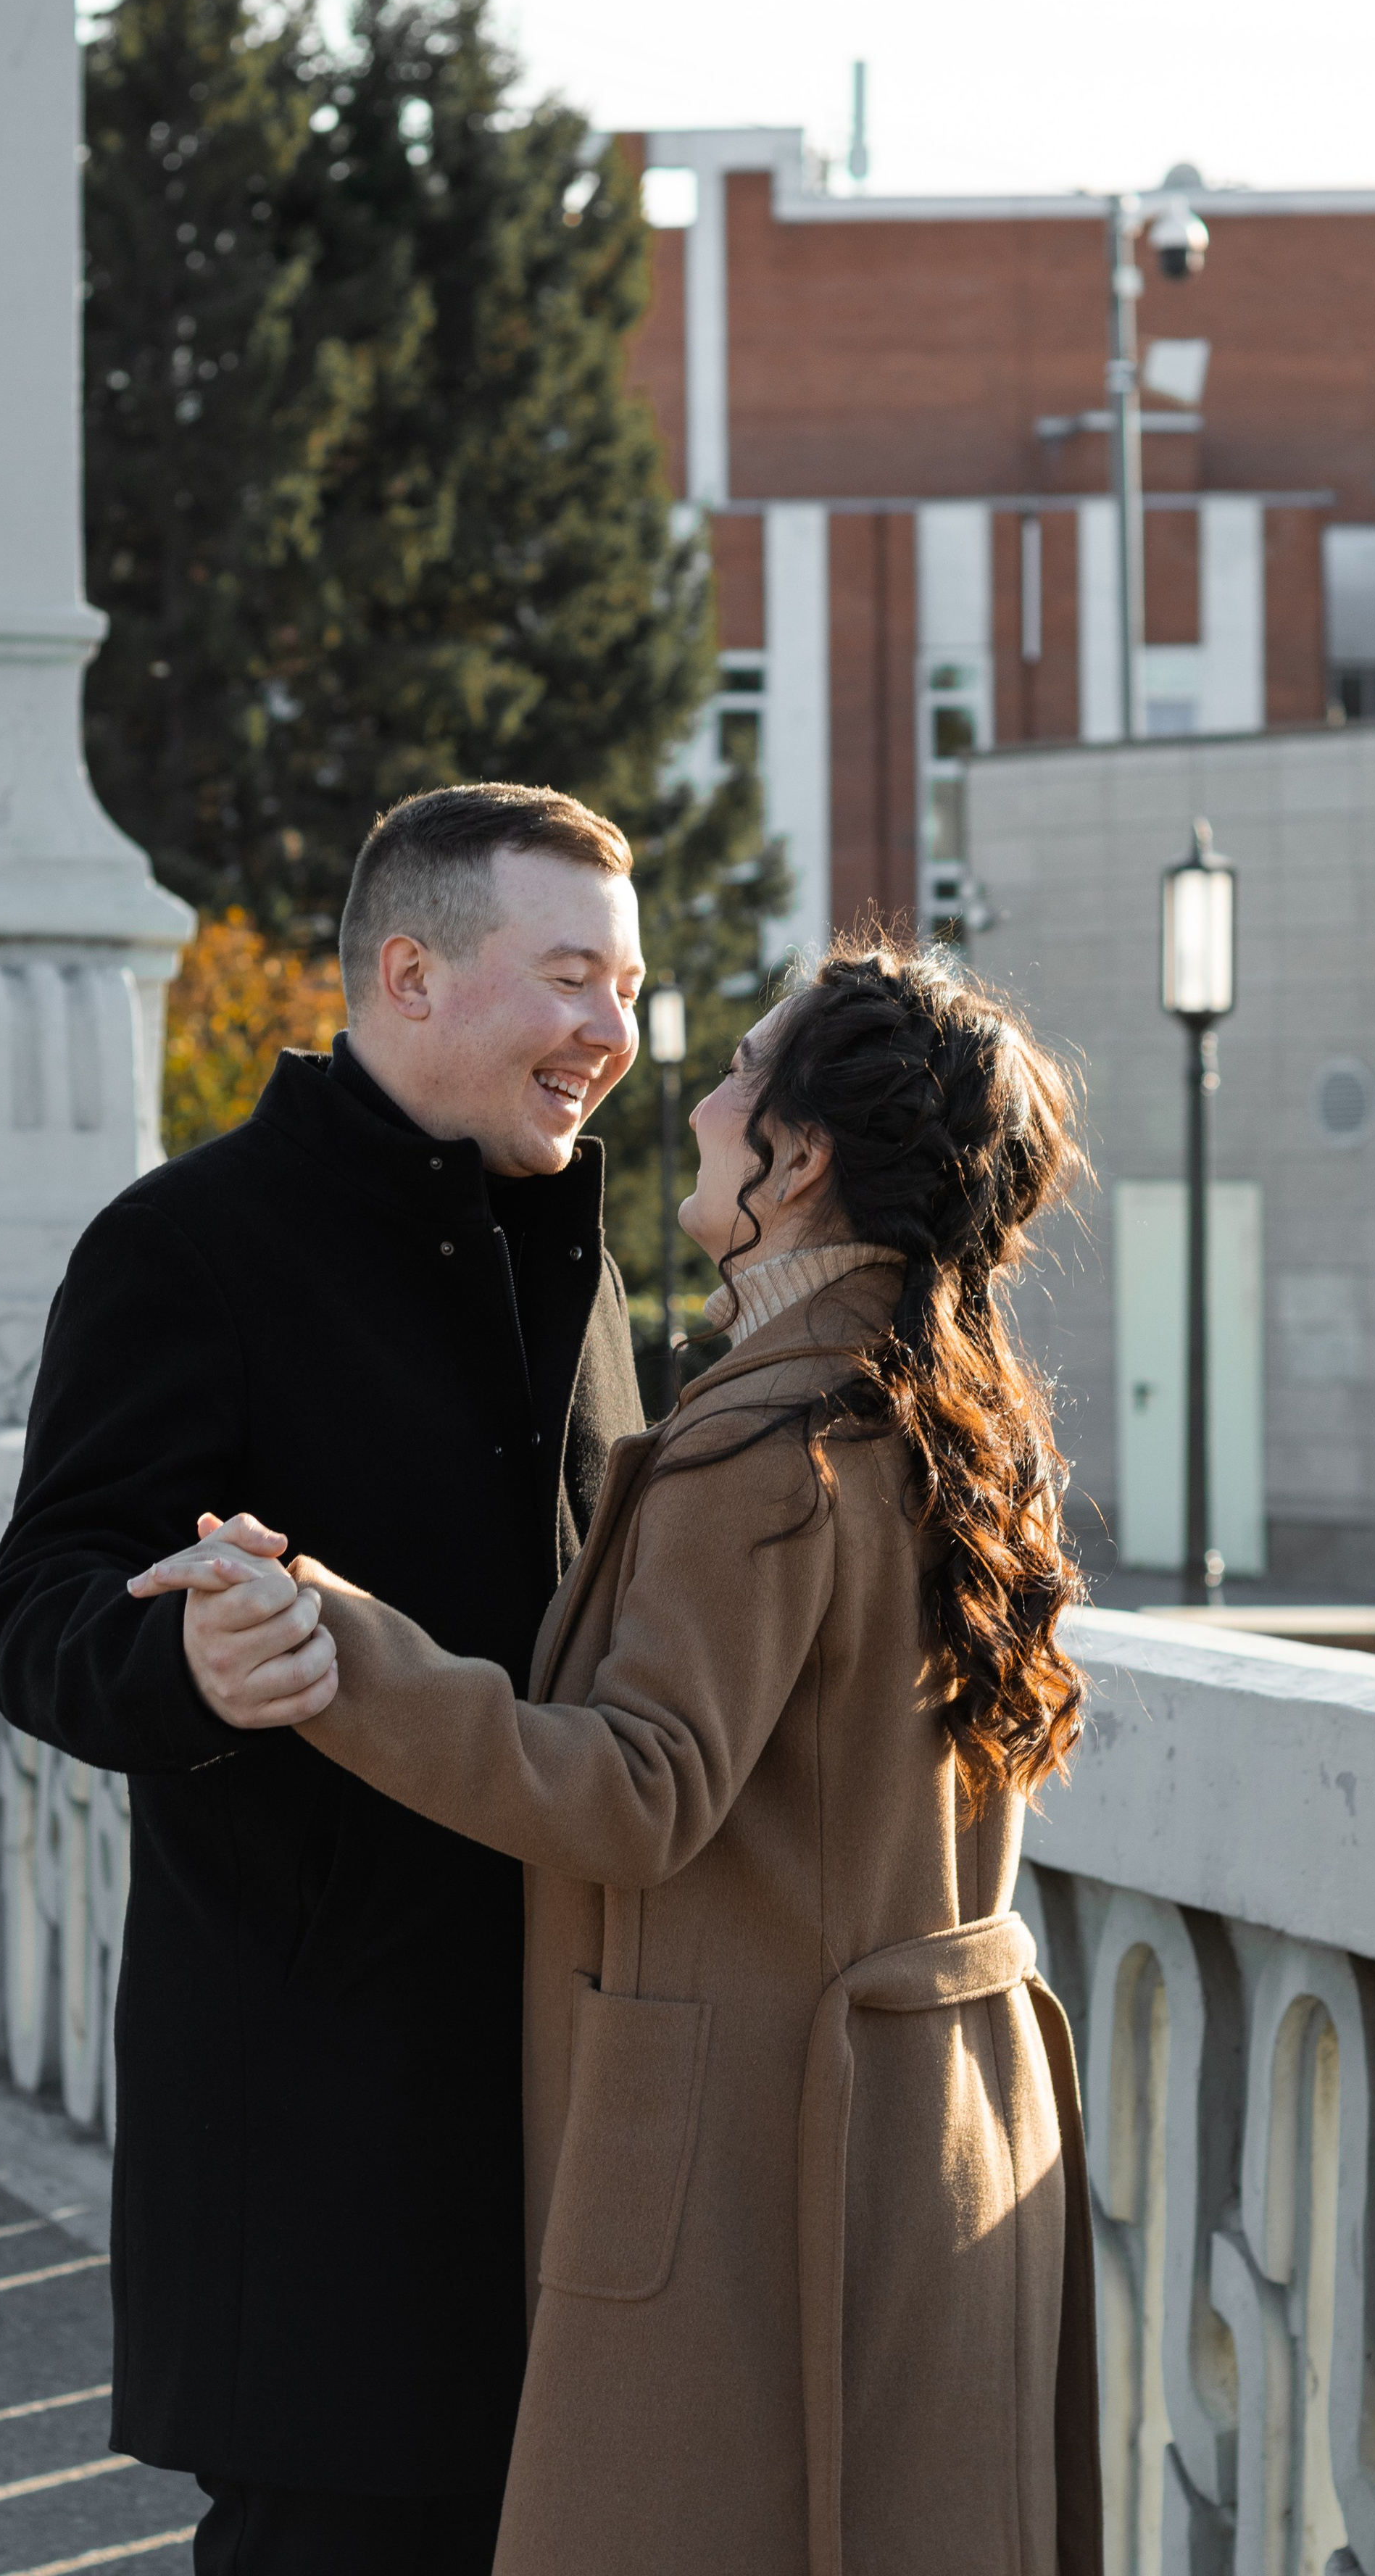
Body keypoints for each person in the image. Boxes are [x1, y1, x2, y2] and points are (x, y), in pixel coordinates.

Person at [138, 935, 1106, 2576]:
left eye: (740, 1073)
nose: (701, 1094)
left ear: (795, 1160)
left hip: (750, 2160)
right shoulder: (953, 1412)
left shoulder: (765, 1444)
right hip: (933, 2127)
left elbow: (636, 1793)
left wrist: (328, 1638)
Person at [0, 784, 649, 2575]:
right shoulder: (185, 1244)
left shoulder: (572, 1249)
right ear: (409, 976)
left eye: (629, 988)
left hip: (575, 2123)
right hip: (324, 2154)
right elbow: (33, 1615)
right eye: (570, 977)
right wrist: (180, 1658)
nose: (611, 1033)